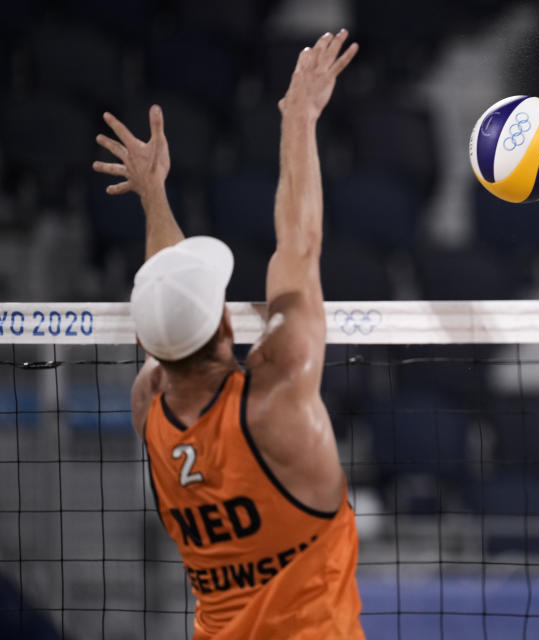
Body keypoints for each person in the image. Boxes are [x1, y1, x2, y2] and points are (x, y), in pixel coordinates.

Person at [92, 31, 363, 639]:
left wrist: (153, 195)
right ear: (222, 322)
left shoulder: (149, 408)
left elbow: (170, 303)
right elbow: (300, 244)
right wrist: (299, 116)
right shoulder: (279, 398)